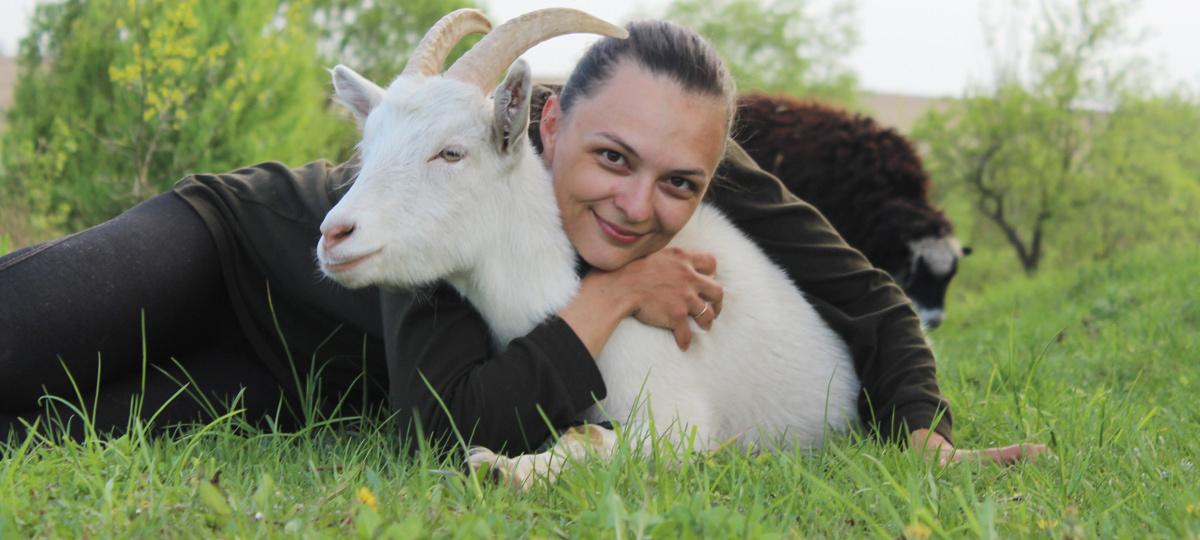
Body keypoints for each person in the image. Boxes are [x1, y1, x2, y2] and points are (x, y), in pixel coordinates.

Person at [0, 12, 1043, 464]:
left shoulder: (676, 150)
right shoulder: (457, 184)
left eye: (680, 183)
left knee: (44, 423)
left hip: (303, 380)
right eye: (610, 159)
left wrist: (925, 432)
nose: (638, 205)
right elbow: (446, 422)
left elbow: (867, 297)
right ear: (541, 124)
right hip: (236, 249)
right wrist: (614, 296)